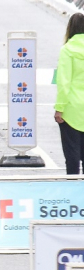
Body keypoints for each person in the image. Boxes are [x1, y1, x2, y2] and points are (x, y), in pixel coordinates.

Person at [55, 13, 84, 174]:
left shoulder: (67, 50)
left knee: (72, 154)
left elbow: (64, 83)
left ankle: (74, 190)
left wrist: (59, 108)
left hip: (72, 109)